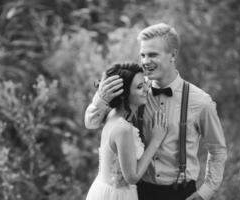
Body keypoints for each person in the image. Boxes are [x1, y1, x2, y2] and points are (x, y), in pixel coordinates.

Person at [84, 23, 227, 200]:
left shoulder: (201, 102)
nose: (145, 62)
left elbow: (218, 150)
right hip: (139, 191)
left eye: (152, 55)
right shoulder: (136, 94)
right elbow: (92, 123)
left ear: (172, 55)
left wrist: (205, 193)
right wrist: (100, 98)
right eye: (142, 55)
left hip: (181, 193)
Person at [85, 62, 168, 200]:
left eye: (145, 83)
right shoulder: (123, 128)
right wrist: (156, 140)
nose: (147, 89)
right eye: (140, 87)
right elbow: (132, 177)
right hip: (116, 195)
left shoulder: (111, 114)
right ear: (124, 95)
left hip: (103, 190)